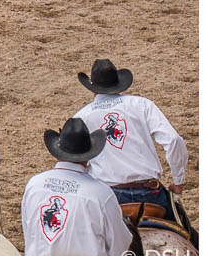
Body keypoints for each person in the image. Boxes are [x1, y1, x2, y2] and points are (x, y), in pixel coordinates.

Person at [74, 59, 188, 221]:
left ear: (93, 89)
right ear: (118, 84)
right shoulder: (142, 104)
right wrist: (178, 182)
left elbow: (76, 162)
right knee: (185, 230)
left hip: (108, 196)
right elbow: (174, 140)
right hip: (150, 194)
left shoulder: (81, 117)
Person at [21, 117, 133, 256]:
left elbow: (29, 230)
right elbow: (119, 248)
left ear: (57, 151)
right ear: (89, 156)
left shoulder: (34, 184)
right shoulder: (101, 193)